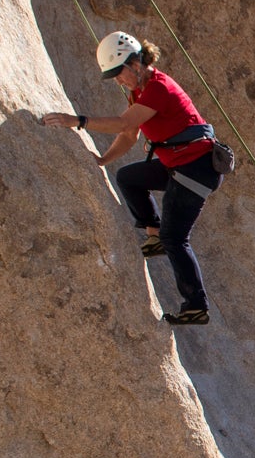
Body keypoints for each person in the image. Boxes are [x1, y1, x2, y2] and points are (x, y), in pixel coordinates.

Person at [42, 32, 219, 325]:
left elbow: (125, 123)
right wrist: (102, 160)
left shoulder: (159, 88)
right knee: (128, 177)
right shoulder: (139, 91)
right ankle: (154, 235)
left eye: (118, 73)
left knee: (175, 238)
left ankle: (196, 306)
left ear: (136, 64)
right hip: (180, 165)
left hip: (196, 169)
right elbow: (129, 134)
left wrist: (79, 121)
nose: (117, 81)